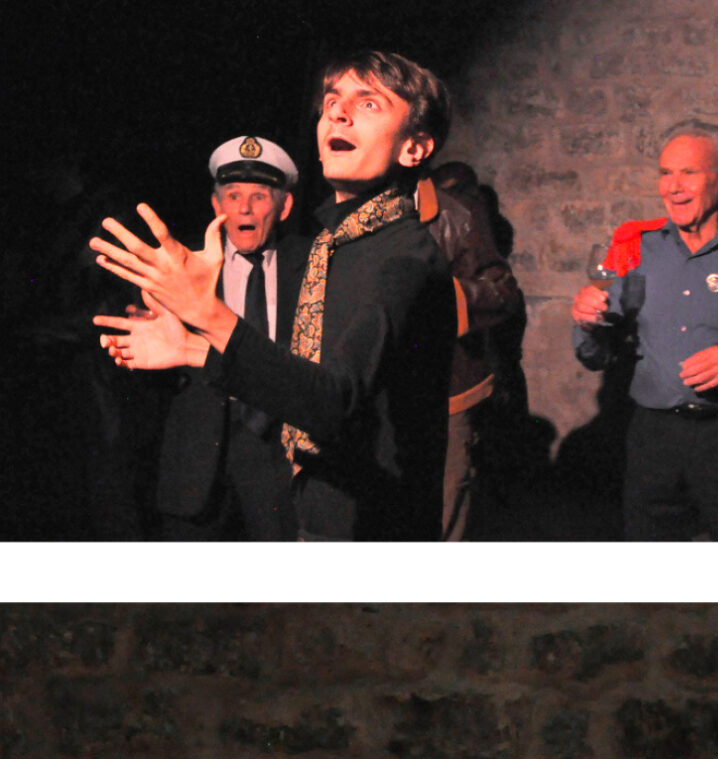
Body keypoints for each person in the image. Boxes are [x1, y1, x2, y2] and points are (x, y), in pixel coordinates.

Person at [92, 51, 457, 540]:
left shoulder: (402, 259)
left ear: (414, 148)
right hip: (313, 512)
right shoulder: (338, 245)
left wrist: (208, 314)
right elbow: (299, 380)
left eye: (368, 103)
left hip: (370, 532)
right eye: (332, 101)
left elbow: (330, 404)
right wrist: (192, 349)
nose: (338, 113)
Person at [572, 121, 718, 541]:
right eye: (665, 173)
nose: (673, 187)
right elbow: (597, 356)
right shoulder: (635, 248)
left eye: (688, 172)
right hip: (652, 438)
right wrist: (588, 325)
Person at [152, 136, 303, 541]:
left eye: (259, 196)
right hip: (197, 452)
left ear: (284, 206)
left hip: (278, 454)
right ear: (217, 205)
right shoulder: (181, 266)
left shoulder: (314, 264)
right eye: (233, 195)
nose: (244, 208)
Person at [417, 162, 525, 541]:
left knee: (447, 501)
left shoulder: (457, 216)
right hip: (381, 392)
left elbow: (502, 291)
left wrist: (451, 297)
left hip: (449, 387)